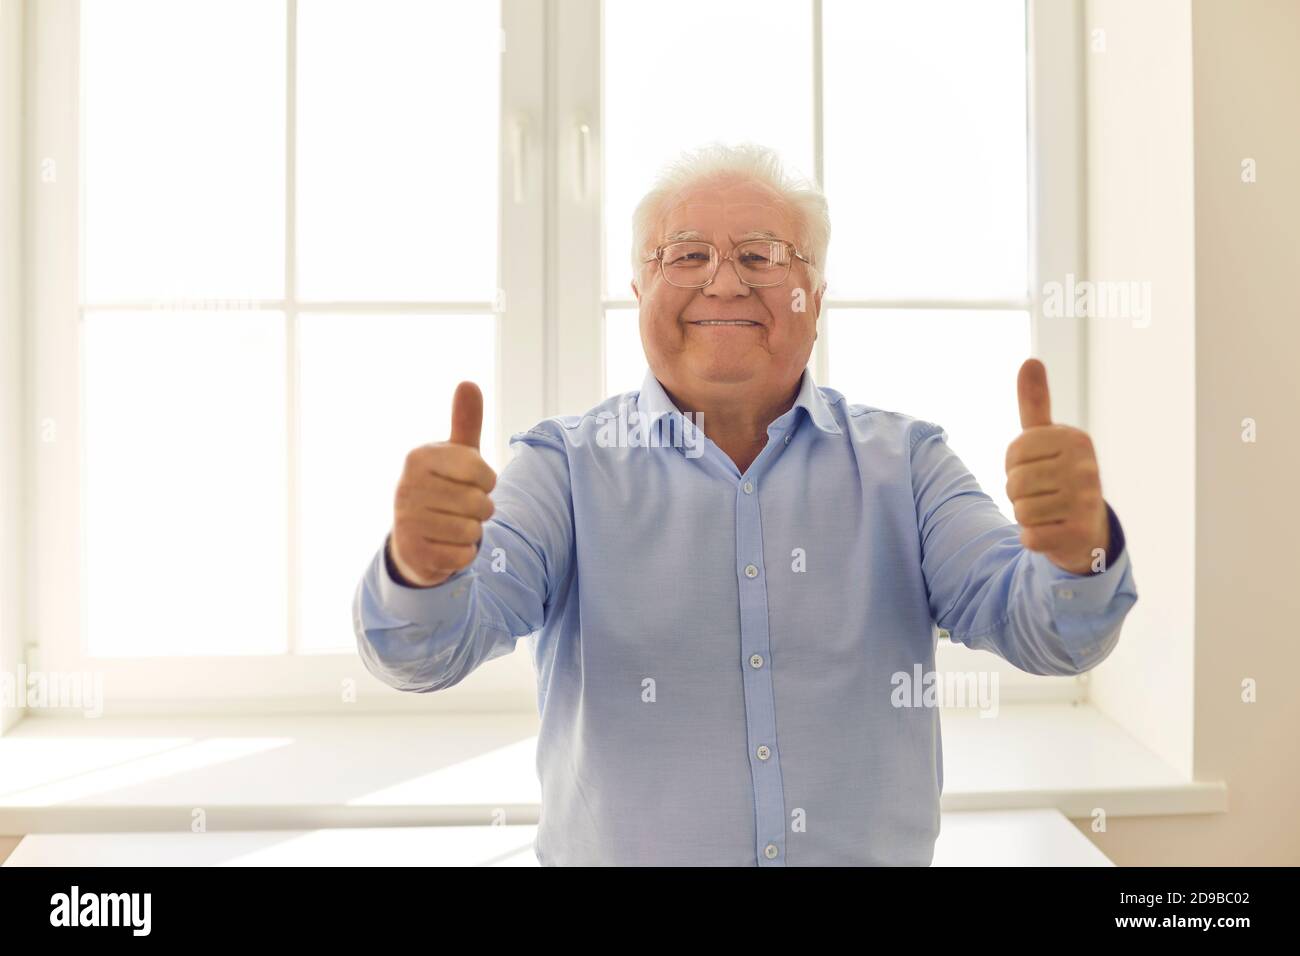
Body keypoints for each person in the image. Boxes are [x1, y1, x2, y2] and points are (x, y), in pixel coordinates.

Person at [353, 142, 1137, 865]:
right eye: (687, 254)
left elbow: (1048, 634)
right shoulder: (562, 467)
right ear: (639, 291)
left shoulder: (908, 463)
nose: (724, 282)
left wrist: (1078, 555)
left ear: (814, 298)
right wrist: (420, 571)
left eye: (761, 256)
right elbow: (425, 654)